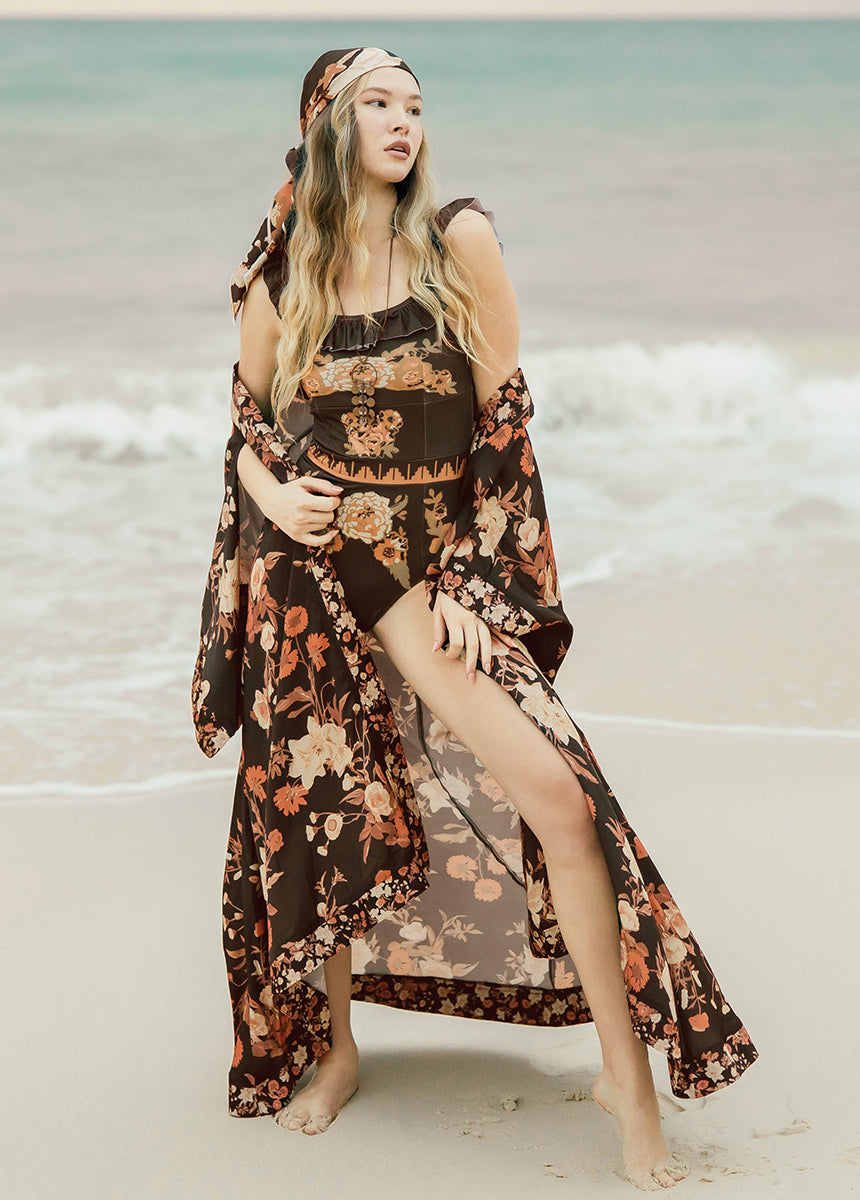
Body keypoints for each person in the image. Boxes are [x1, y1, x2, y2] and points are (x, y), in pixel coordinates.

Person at [193, 46, 758, 1193]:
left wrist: (465, 576)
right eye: (376, 102)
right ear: (324, 123)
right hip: (312, 581)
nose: (402, 120)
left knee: (559, 798)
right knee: (325, 824)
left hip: (427, 581)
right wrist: (271, 493)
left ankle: (627, 1082)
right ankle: (338, 1052)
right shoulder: (280, 276)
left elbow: (501, 421)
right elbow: (245, 419)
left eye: (413, 103)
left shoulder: (458, 240)